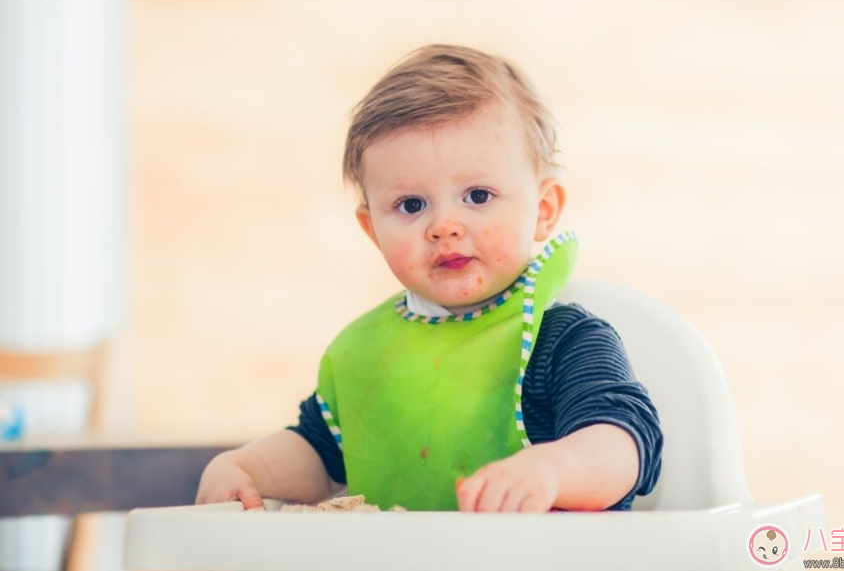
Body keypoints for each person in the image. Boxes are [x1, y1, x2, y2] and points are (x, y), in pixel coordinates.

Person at [196, 44, 662, 513]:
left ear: (542, 211)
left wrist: (555, 469)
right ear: (372, 230)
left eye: (477, 196)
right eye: (411, 205)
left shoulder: (563, 340)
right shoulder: (368, 354)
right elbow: (319, 454)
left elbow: (624, 443)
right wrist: (242, 467)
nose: (444, 226)